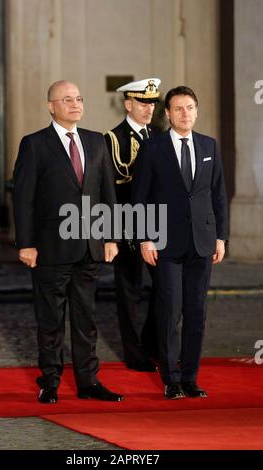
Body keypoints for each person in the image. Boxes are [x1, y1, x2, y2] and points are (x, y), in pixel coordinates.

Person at [13, 80, 123, 404]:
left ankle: (88, 382)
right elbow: (24, 199)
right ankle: (50, 381)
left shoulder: (96, 141)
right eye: (66, 99)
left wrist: (111, 236)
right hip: (50, 249)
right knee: (50, 321)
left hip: (89, 246)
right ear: (51, 106)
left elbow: (107, 194)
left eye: (78, 98)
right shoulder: (34, 144)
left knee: (86, 318)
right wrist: (26, 244)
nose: (75, 104)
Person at [132, 86, 229, 399]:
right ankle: (170, 380)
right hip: (165, 245)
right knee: (170, 310)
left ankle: (190, 378)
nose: (185, 113)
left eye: (190, 107)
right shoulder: (153, 148)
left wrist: (220, 237)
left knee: (197, 312)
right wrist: (145, 238)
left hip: (202, 243)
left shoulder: (209, 146)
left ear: (197, 111)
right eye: (178, 108)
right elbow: (140, 198)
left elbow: (218, 196)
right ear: (168, 113)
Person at [104, 78, 162, 371]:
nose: (149, 108)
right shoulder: (114, 139)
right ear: (128, 104)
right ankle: (134, 352)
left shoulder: (160, 135)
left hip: (159, 223)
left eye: (152, 102)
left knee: (164, 286)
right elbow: (110, 191)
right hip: (127, 223)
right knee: (130, 291)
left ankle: (152, 343)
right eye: (142, 102)